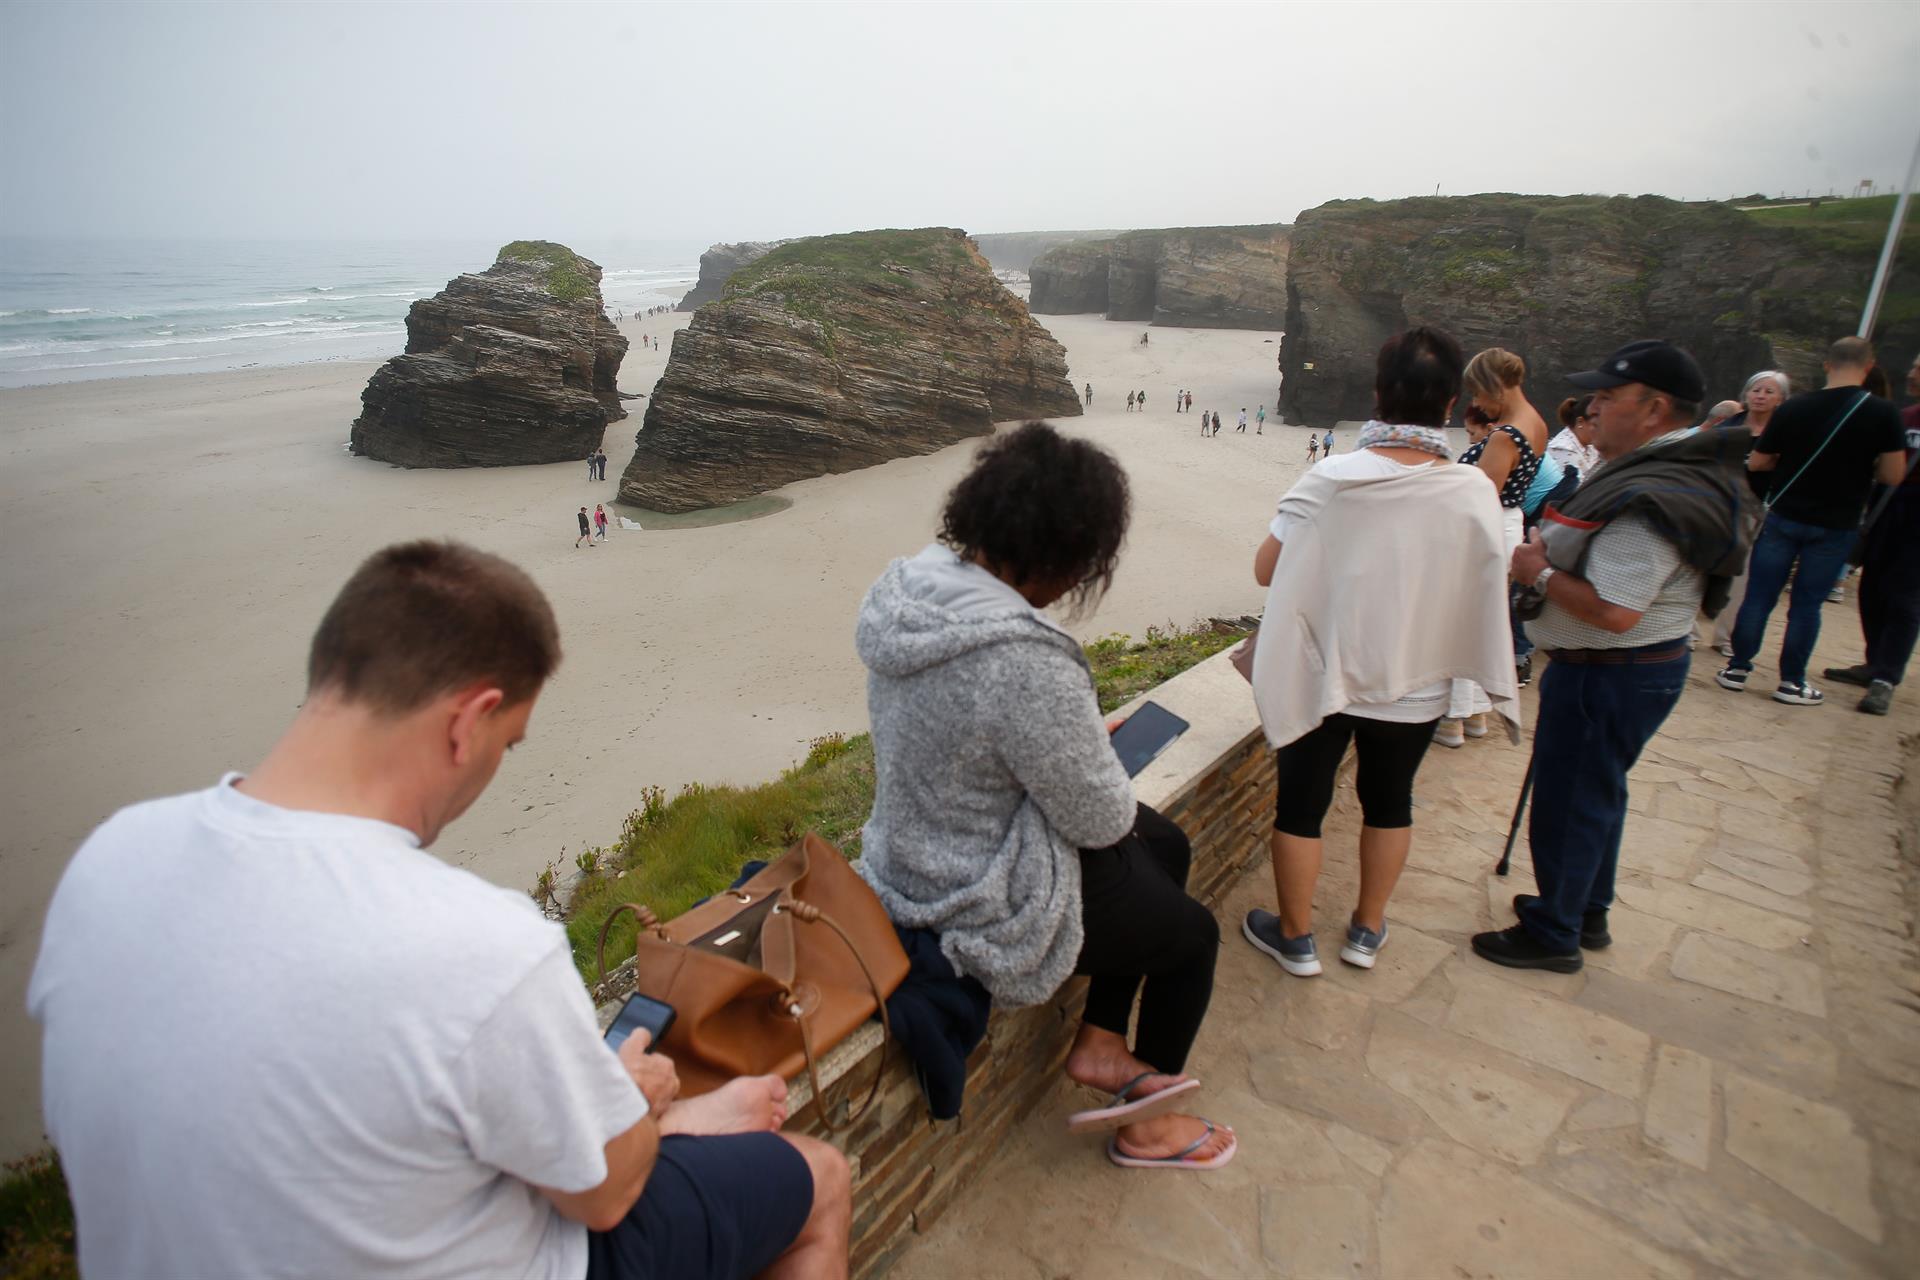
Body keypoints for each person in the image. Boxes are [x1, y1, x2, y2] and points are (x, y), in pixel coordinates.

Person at [27, 541, 850, 1279]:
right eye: (508, 742)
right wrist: (632, 1100)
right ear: (468, 723)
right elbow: (602, 1204)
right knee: (818, 1181)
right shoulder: (479, 944)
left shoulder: (107, 860)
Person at [856, 423, 1235, 1172]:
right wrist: (1083, 748)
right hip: (973, 890)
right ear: (1064, 557)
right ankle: (1150, 1127)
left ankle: (1100, 1041)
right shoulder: (1025, 657)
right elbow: (1099, 818)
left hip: (907, 845)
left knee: (1171, 845)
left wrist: (1065, 739)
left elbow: (975, 731)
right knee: (1191, 939)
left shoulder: (909, 593)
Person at [1243, 328, 1517, 977]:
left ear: (1376, 394)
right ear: (1451, 403)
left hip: (1325, 677)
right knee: (1391, 802)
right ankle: (1366, 931)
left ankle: (1296, 937)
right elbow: (1483, 580)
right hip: (1414, 681)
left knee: (1301, 808)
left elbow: (1265, 570)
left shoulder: (1333, 476)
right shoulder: (1473, 489)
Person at [1473, 340, 1752, 971]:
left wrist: (1538, 573)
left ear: (1653, 409)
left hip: (1613, 669)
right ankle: (1585, 906)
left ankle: (1555, 931)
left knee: (1571, 799)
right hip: (1628, 669)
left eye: (1606, 397)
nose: (1591, 407)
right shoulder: (1653, 470)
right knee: (1596, 792)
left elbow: (1617, 608)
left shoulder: (1653, 493)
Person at [1717, 337, 1906, 706]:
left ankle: (1737, 668)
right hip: (1838, 521)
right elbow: (1892, 474)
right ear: (1868, 367)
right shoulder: (1883, 413)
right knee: (1807, 604)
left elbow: (1758, 462)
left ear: (1826, 364)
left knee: (1760, 594)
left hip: (1786, 513)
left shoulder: (1794, 408)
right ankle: (1791, 682)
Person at [1435, 349, 1548, 746]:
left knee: (1462, 622)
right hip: (1510, 523)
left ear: (1493, 386)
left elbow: (1481, 497)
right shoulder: (1536, 423)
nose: (1477, 404)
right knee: (1486, 622)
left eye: (1479, 394)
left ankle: (1452, 717)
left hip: (1487, 527)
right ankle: (1477, 713)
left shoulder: (1504, 435)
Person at [1830, 350, 1920, 714]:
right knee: (1873, 588)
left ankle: (1886, 677)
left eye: (1917, 368)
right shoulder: (1903, 417)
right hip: (1887, 509)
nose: (1911, 373)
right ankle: (1874, 660)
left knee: (1904, 596)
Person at [1697, 371, 1791, 654]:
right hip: (1718, 505)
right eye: (1756, 390)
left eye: (1769, 391)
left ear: (1781, 399)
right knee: (1699, 566)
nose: (1760, 396)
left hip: (1756, 509)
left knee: (1741, 576)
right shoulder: (1729, 426)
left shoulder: (1783, 433)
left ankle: (1726, 637)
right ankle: (1686, 631)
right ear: (1746, 394)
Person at [1546, 395, 1602, 485]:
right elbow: (1578, 491)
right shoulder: (1562, 449)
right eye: (1596, 426)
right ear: (1580, 422)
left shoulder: (1591, 446)